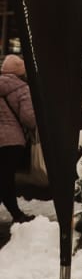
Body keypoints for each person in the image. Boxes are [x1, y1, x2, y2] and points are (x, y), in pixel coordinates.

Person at [0, 53, 36, 224]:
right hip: (12, 141)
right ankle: (17, 215)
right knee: (6, 179)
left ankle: (17, 214)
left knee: (4, 178)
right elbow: (29, 118)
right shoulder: (23, 89)